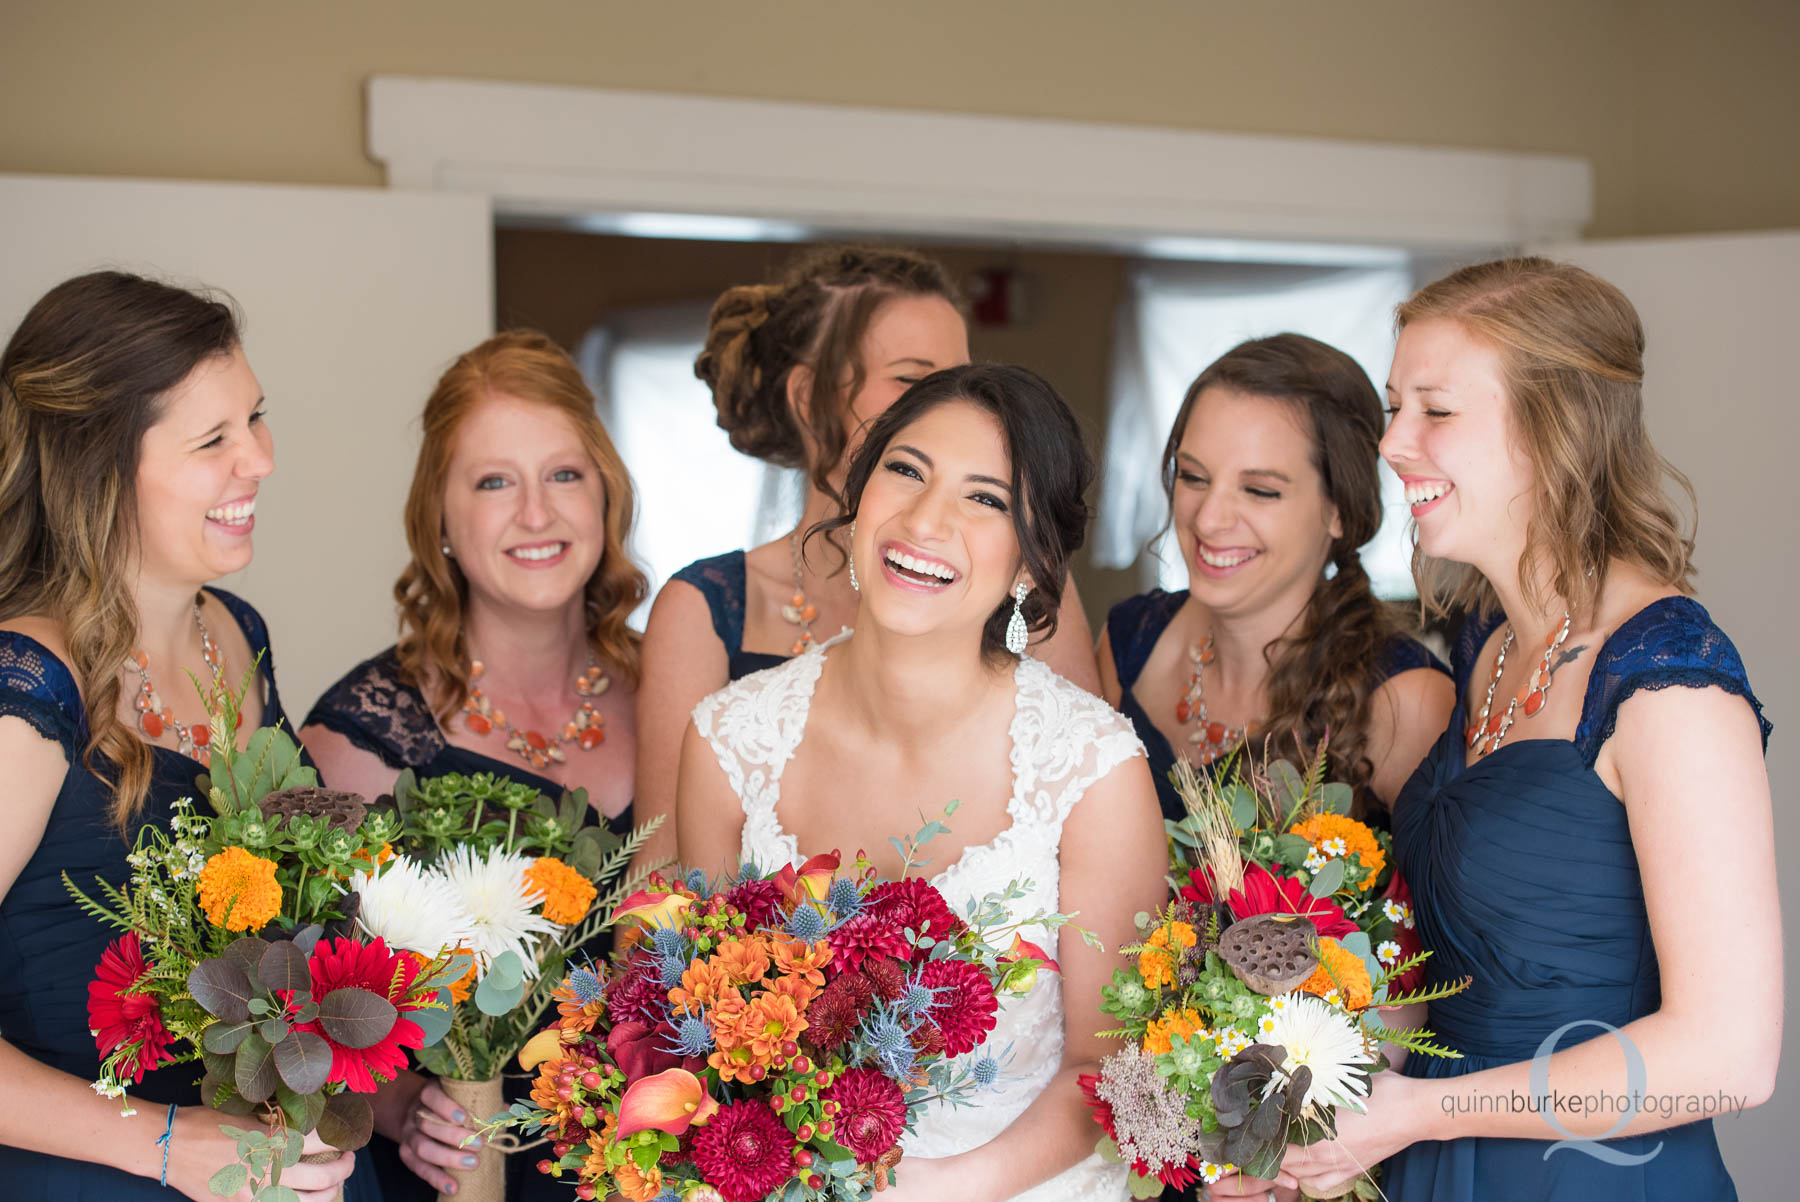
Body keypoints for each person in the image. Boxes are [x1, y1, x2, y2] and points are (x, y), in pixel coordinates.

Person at [1229, 259, 1780, 1200]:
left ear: (1553, 427)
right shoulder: (1485, 644)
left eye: (1435, 411)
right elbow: (1455, 969)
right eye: (1395, 405)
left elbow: (1730, 1055)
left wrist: (1417, 1114)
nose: (1394, 442)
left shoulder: (1667, 679)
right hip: (1437, 1165)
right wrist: (1314, 1117)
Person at [678, 364, 1168, 1201]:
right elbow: (705, 1032)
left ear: (1030, 562)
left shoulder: (1093, 768)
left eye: (986, 499)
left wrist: (924, 1189)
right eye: (905, 471)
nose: (926, 518)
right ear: (858, 499)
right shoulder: (729, 740)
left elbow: (1106, 1068)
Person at [0, 271, 356, 1201]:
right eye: (213, 440)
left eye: (256, 418)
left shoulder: (236, 631)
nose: (261, 459)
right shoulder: (25, 693)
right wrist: (162, 1145)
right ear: (98, 467)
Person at [301, 330, 646, 1199]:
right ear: (440, 520)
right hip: (458, 1176)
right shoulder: (363, 738)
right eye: (495, 482)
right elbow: (310, 1011)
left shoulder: (675, 696)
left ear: (605, 493)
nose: (538, 514)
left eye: (564, 475)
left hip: (645, 1166)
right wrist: (408, 1107)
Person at [637, 246, 1102, 871]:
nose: (953, 406)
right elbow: (658, 887)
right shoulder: (707, 607)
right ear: (808, 398)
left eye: (960, 379)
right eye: (914, 379)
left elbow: (1084, 811)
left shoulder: (1026, 585)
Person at [1099, 334, 1453, 827]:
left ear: (1338, 510)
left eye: (1260, 490)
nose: (1208, 520)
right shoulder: (1129, 640)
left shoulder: (1407, 703)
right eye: (1193, 477)